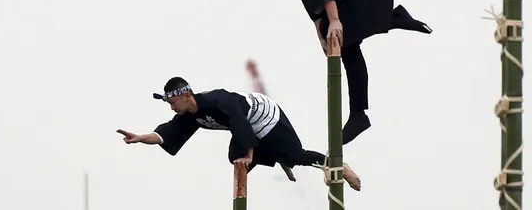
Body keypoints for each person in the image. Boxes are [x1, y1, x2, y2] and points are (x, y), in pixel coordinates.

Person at [230, 0, 432, 145]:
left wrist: (335, 21)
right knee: (336, 37)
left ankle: (359, 112)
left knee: (340, 37)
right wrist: (322, 32)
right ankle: (390, 21)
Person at [116, 76, 362, 191]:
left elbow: (239, 122)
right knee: (235, 158)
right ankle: (277, 158)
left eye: (172, 102)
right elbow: (166, 134)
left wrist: (249, 151)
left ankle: (338, 166)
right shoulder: (189, 116)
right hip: (247, 129)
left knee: (295, 155)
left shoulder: (217, 99)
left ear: (186, 95)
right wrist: (140, 138)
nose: (172, 108)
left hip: (265, 115)